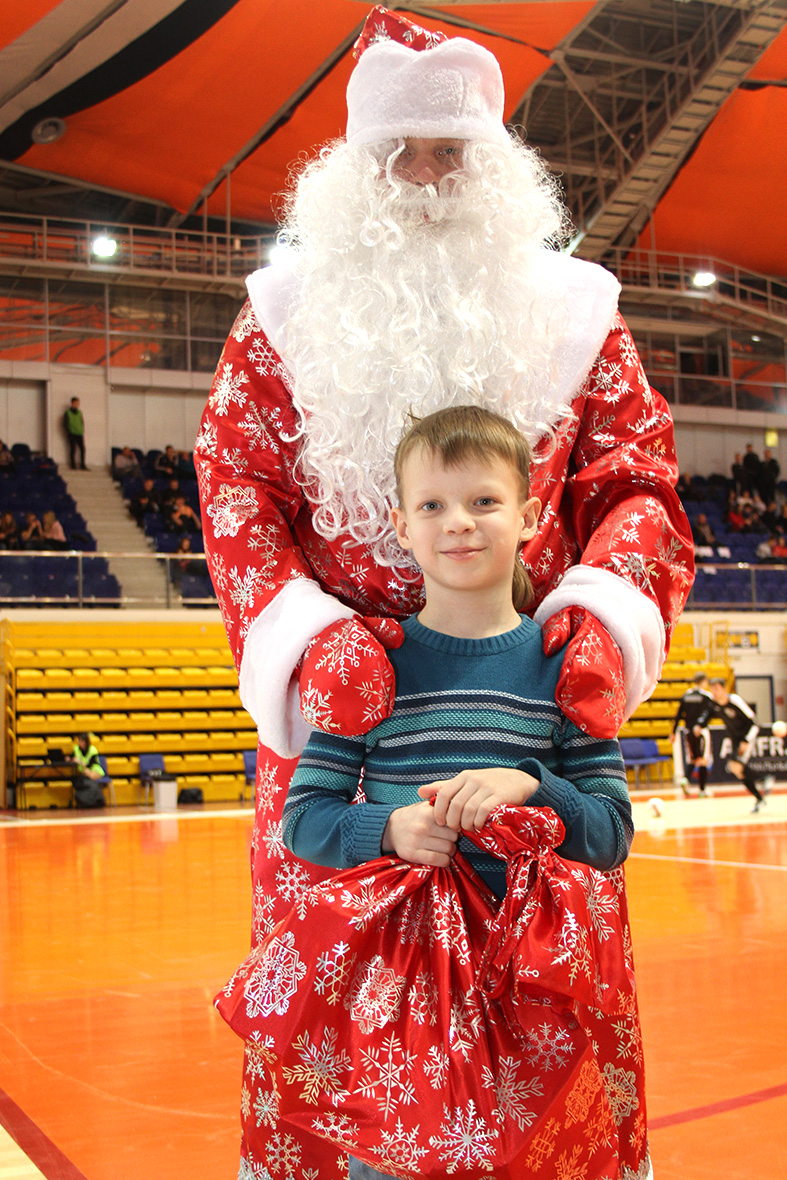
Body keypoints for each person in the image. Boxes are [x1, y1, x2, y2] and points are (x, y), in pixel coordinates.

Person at [195, 8, 692, 1175]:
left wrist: (602, 614)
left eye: (450, 152)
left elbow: (639, 481)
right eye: (398, 154)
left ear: (498, 167)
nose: (423, 178)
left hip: (530, 706)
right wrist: (309, 639)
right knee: (346, 1058)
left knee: (546, 1048)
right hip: (347, 728)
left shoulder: (579, 314)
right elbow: (235, 487)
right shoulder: (278, 320)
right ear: (352, 171)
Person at [282, 405, 638, 1179]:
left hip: (531, 983)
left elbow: (611, 834)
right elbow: (303, 821)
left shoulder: (565, 667)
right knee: (395, 1162)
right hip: (403, 985)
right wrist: (389, 829)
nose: (459, 523)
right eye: (432, 505)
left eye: (483, 501)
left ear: (529, 516)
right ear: (401, 526)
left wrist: (535, 785)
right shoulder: (369, 665)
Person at [707, 678, 770, 812]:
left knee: (737, 766)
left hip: (747, 736)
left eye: (716, 688)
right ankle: (760, 793)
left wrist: (746, 741)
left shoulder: (735, 700)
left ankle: (764, 781)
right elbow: (706, 716)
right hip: (735, 739)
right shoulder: (715, 704)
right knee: (737, 770)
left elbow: (755, 723)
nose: (714, 692)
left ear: (724, 689)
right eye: (712, 689)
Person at [672, 671, 714, 796]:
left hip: (688, 731)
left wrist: (673, 732)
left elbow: (679, 715)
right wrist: (700, 724)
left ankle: (685, 779)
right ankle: (702, 790)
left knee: (692, 758)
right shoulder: (706, 696)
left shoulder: (686, 695)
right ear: (704, 681)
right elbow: (709, 713)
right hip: (701, 731)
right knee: (703, 760)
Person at [69, 732, 106, 808]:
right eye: (79, 741)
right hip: (83, 773)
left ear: (85, 742)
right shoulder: (76, 749)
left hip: (95, 770)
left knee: (87, 772)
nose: (79, 743)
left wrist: (79, 762)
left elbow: (90, 764)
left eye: (81, 741)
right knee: (84, 775)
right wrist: (70, 759)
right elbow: (71, 757)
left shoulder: (93, 750)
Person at [63, 397, 87, 470]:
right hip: (72, 433)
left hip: (79, 433)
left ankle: (82, 465)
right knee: (73, 448)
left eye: (78, 403)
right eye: (76, 403)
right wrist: (68, 431)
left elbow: (81, 421)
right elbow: (65, 423)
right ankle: (73, 465)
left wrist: (82, 430)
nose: (77, 404)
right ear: (72, 403)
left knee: (82, 449)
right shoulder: (67, 412)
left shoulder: (79, 412)